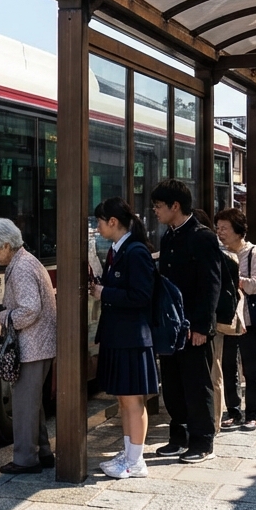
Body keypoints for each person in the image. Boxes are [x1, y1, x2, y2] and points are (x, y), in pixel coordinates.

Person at [150, 179, 223, 463]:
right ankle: (177, 438)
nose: (155, 211)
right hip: (172, 326)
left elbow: (211, 285)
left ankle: (202, 441)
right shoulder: (168, 236)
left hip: (194, 326)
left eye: (158, 205)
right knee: (173, 383)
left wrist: (202, 326)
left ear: (175, 205)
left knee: (197, 383)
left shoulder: (202, 236)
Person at [0, 218, 57, 474]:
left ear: (5, 244)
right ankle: (43, 453)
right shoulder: (25, 261)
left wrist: (3, 316)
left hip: (33, 345)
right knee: (32, 403)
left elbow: (29, 310)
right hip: (40, 344)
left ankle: (26, 460)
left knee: (24, 405)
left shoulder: (21, 267)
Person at [89, 198, 156, 479]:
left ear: (113, 222)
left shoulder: (135, 251)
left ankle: (135, 459)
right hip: (121, 335)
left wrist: (104, 292)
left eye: (100, 222)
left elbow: (142, 296)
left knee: (132, 400)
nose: (98, 227)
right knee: (124, 399)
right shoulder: (119, 250)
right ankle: (129, 453)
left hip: (132, 336)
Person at [215, 207, 256, 432]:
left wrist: (235, 280)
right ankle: (234, 410)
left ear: (238, 231)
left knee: (251, 367)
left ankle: (253, 414)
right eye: (218, 228)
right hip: (227, 320)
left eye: (224, 228)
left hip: (249, 320)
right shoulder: (219, 252)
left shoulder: (255, 253)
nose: (220, 232)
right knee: (227, 365)